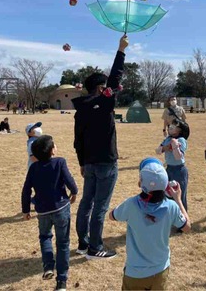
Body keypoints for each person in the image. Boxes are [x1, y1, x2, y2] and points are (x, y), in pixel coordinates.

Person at [73, 35, 128, 260]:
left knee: (87, 202)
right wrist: (121, 50)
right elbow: (115, 78)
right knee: (100, 207)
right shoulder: (104, 103)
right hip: (105, 162)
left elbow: (78, 140)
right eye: (104, 87)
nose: (109, 89)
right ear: (99, 88)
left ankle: (83, 244)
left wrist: (82, 163)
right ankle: (95, 248)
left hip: (90, 164)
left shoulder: (81, 109)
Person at [109, 158, 191, 290]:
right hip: (161, 269)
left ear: (140, 183)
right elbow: (187, 227)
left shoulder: (131, 204)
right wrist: (178, 200)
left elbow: (112, 216)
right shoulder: (171, 206)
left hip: (135, 272)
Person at [22, 135, 78, 291]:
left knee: (45, 236)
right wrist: (74, 192)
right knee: (63, 243)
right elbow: (69, 180)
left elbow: (26, 189)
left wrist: (26, 209)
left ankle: (48, 266)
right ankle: (61, 281)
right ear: (52, 150)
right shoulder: (60, 162)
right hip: (61, 208)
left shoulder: (33, 168)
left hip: (43, 211)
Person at [156, 119, 190, 211]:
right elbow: (158, 151)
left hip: (179, 170)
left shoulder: (181, 140)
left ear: (180, 130)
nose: (170, 127)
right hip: (169, 169)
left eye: (174, 126)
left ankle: (183, 217)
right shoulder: (167, 139)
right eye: (170, 125)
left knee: (179, 194)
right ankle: (171, 215)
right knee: (168, 193)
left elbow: (178, 157)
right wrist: (165, 147)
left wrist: (175, 146)